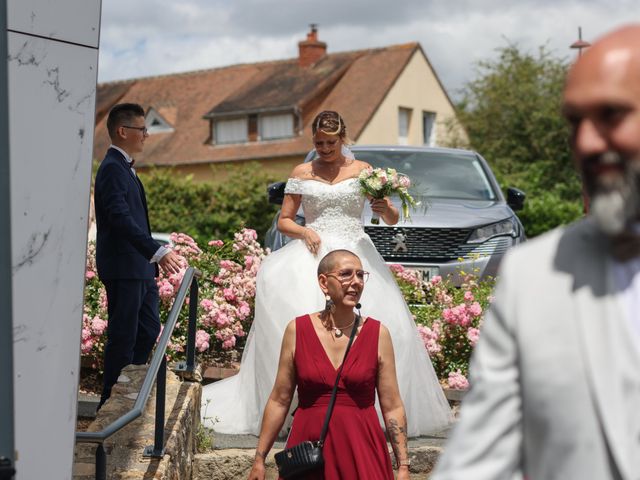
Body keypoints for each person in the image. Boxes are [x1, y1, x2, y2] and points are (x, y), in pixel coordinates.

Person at [432, 24, 640, 480]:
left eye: (610, 115)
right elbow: (479, 462)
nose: (585, 142)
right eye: (574, 122)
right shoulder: (534, 276)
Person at [202, 110, 451, 437]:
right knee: (297, 327)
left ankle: (370, 413)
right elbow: (284, 220)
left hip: (356, 251)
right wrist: (305, 233)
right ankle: (297, 410)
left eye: (330, 143)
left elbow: (390, 217)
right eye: (318, 142)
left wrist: (383, 208)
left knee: (386, 332)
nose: (324, 148)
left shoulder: (364, 172)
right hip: (313, 253)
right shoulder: (302, 171)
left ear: (342, 139)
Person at [248, 250, 410, 480]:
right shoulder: (297, 330)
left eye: (360, 275)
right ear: (324, 282)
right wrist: (259, 459)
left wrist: (403, 465)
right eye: (345, 274)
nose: (356, 282)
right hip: (310, 453)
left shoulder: (378, 334)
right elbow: (280, 399)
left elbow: (392, 404)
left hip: (362, 450)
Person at [94, 103, 182, 407]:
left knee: (148, 330)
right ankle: (111, 401)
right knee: (123, 335)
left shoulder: (126, 169)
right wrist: (156, 251)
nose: (146, 134)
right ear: (123, 131)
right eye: (142, 129)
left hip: (140, 269)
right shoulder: (111, 169)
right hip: (124, 266)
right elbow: (120, 219)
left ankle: (128, 391)